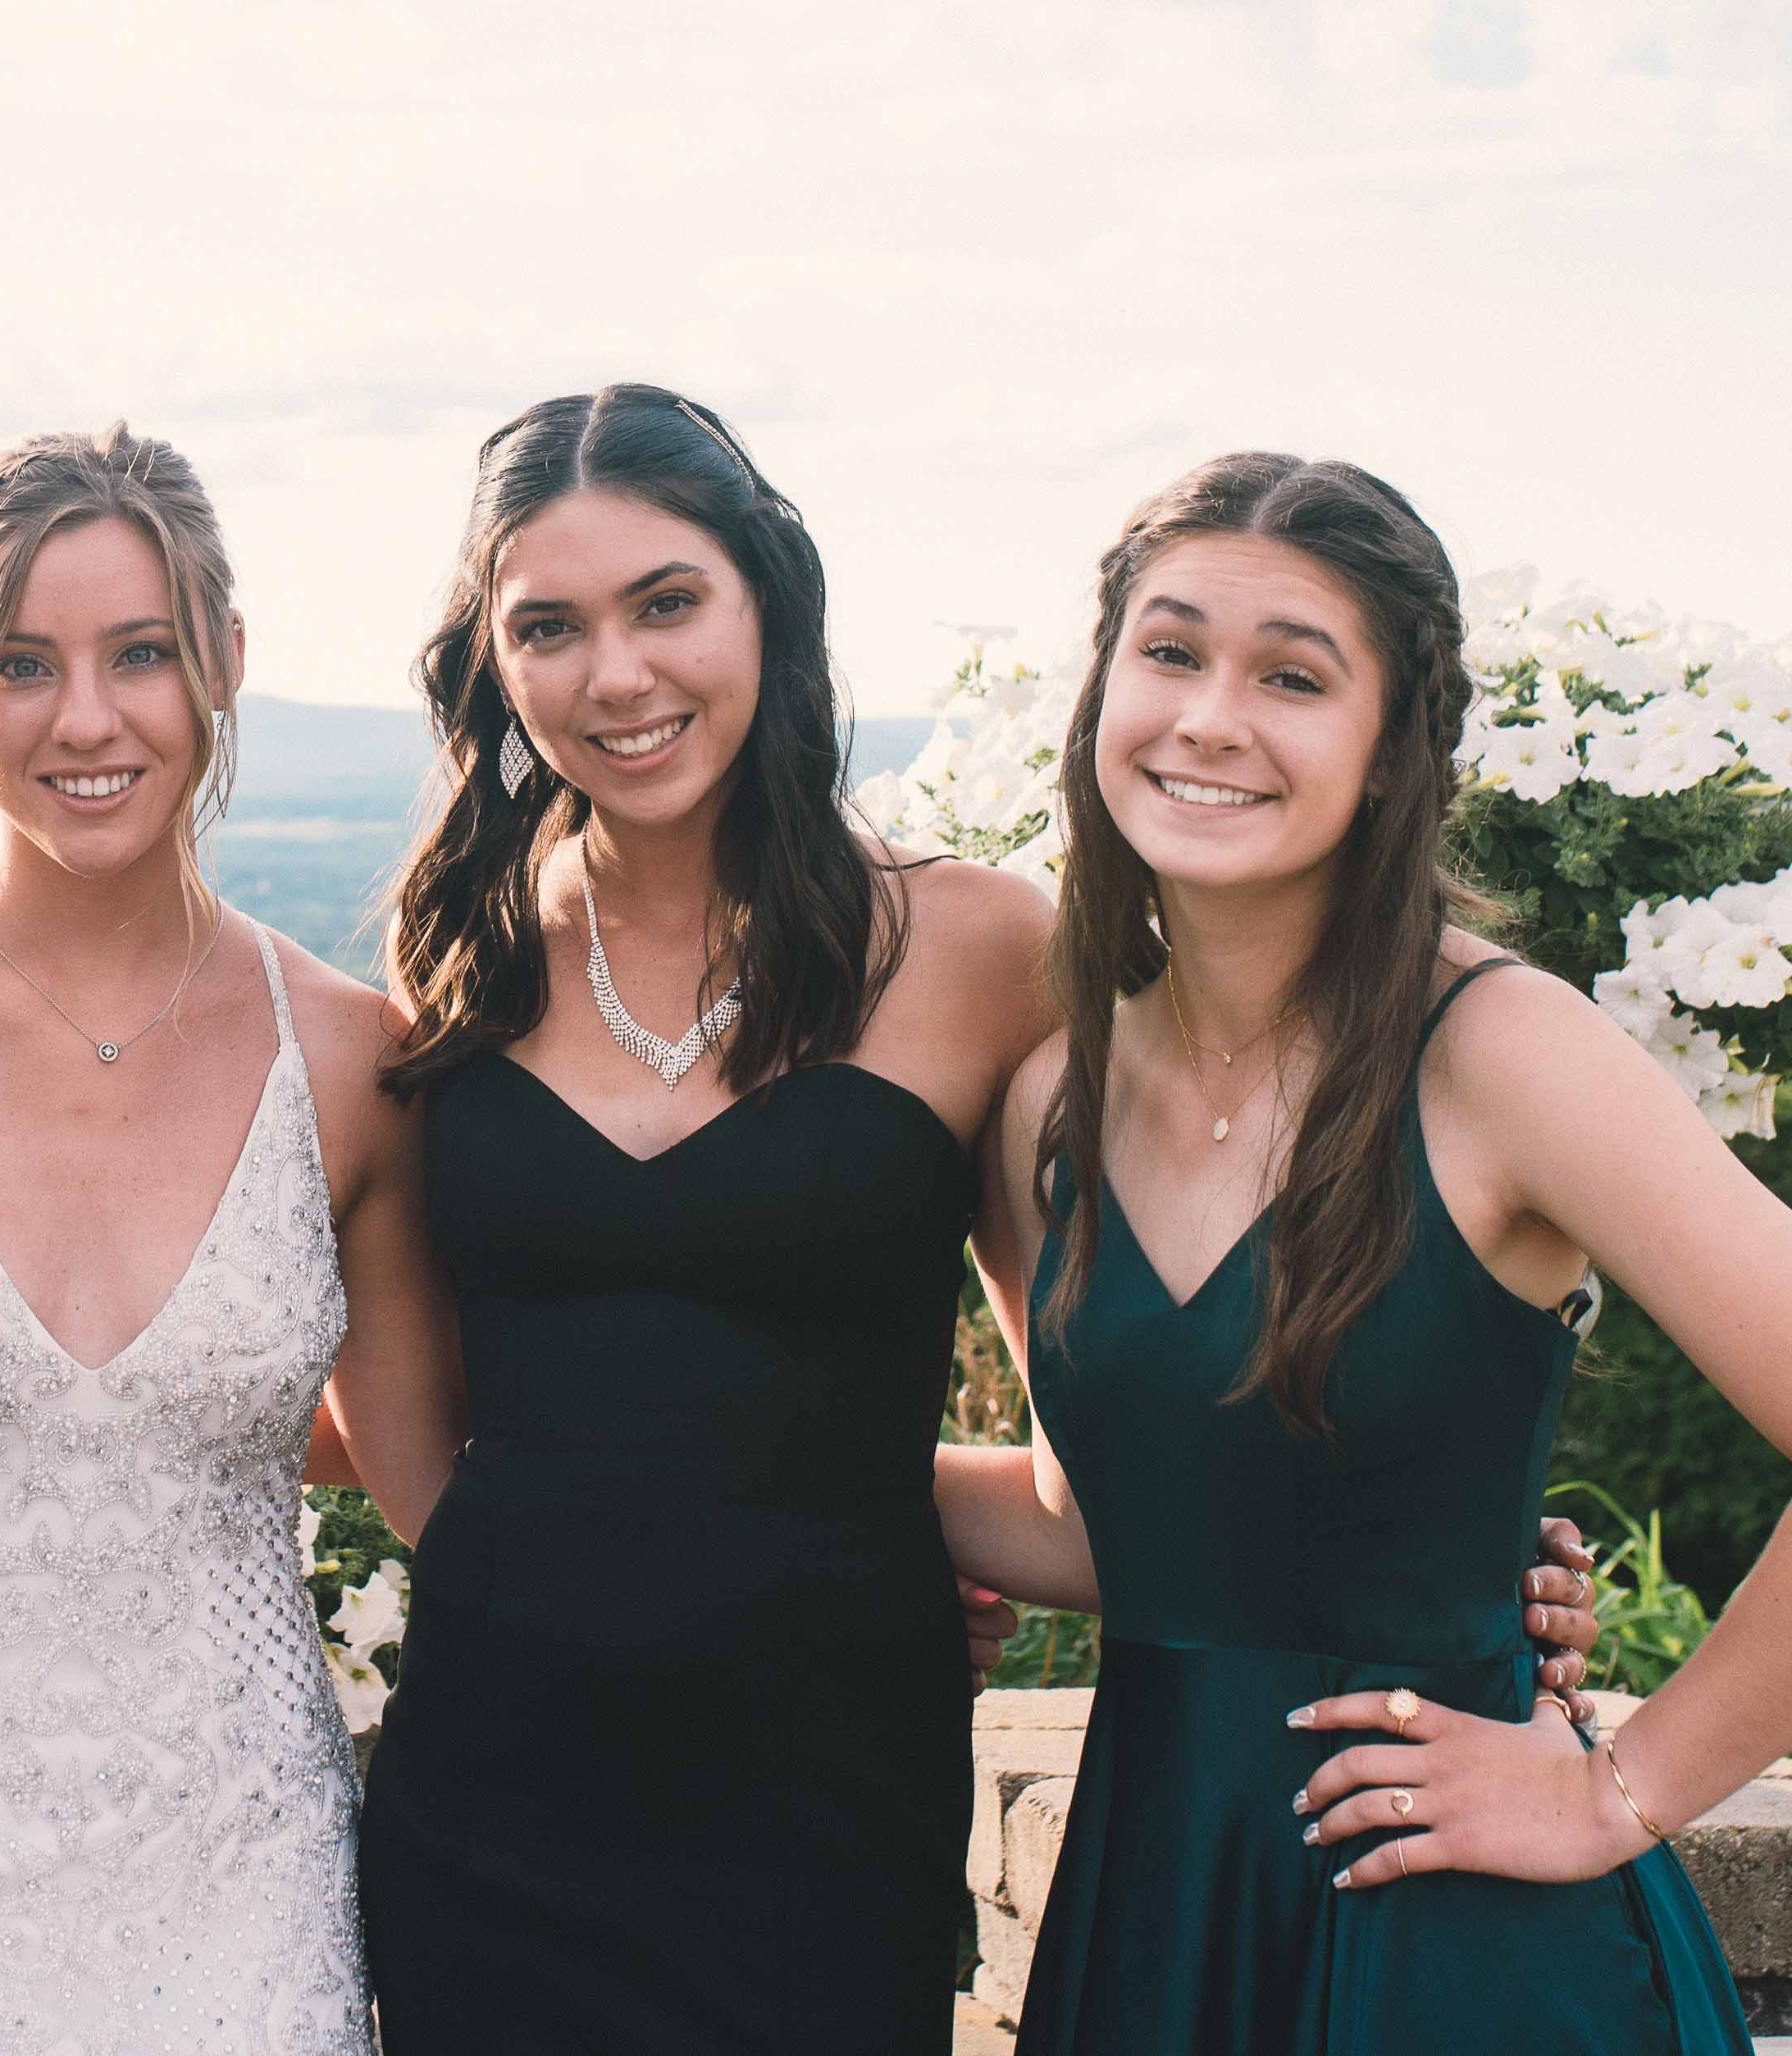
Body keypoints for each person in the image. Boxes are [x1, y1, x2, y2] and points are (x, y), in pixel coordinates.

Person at [346, 389, 1597, 2053]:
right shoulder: (458, 957)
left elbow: (1109, 1422)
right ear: (492, 663)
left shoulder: (984, 950)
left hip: (825, 1787)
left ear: (766, 605)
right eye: (547, 627)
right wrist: (648, 1545)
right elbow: (424, 1430)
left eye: (666, 602)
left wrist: (1425, 1546)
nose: (616, 674)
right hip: (492, 1786)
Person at [954, 454, 1792, 2054]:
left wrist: (1609, 1793)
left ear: (1393, 748)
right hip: (1161, 1906)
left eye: (1291, 676)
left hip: (1448, 1939)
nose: (1208, 718)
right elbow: (1090, 1523)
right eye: (1167, 652)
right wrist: (719, 1478)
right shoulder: (1052, 1095)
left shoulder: (1505, 1053)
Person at [0, 425, 462, 2054]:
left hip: (242, 1891)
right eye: (20, 663)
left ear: (224, 661)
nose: (85, 718)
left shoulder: (352, 1058)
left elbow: (435, 1479)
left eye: (139, 652)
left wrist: (836, 1558)